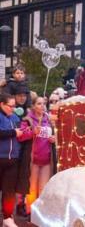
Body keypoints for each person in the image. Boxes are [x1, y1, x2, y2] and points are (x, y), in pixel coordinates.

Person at [18, 96, 55, 210]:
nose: (42, 106)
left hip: (47, 160)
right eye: (39, 103)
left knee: (43, 188)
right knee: (32, 188)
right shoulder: (27, 120)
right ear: (33, 106)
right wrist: (32, 132)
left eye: (44, 103)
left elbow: (54, 135)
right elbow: (21, 136)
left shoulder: (49, 120)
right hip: (33, 160)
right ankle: (30, 211)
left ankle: (40, 212)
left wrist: (54, 138)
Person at [0, 93, 23, 227]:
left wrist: (31, 131)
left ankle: (7, 218)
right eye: (10, 106)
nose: (13, 109)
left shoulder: (15, 117)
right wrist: (14, 133)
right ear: (2, 104)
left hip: (13, 160)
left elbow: (21, 133)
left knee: (9, 192)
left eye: (15, 106)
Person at [10, 84, 32, 218]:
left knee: (23, 178)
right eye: (19, 95)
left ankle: (20, 205)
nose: (22, 98)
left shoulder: (29, 111)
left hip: (26, 149)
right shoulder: (9, 110)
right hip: (12, 149)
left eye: (24, 95)